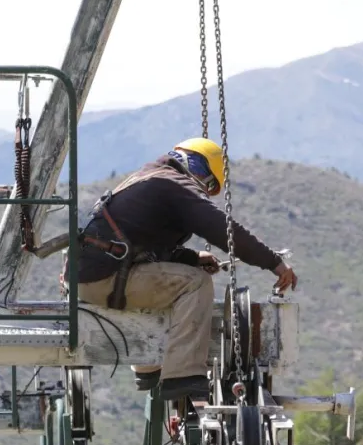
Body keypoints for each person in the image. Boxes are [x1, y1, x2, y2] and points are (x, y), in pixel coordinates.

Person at [74, 137, 298, 401]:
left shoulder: (151, 178)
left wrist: (191, 257)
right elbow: (223, 230)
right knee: (194, 283)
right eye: (207, 178)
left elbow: (144, 246)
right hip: (106, 277)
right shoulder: (172, 184)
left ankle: (149, 367)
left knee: (177, 279)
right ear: (193, 163)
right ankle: (183, 376)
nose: (205, 186)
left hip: (95, 274)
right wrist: (273, 262)